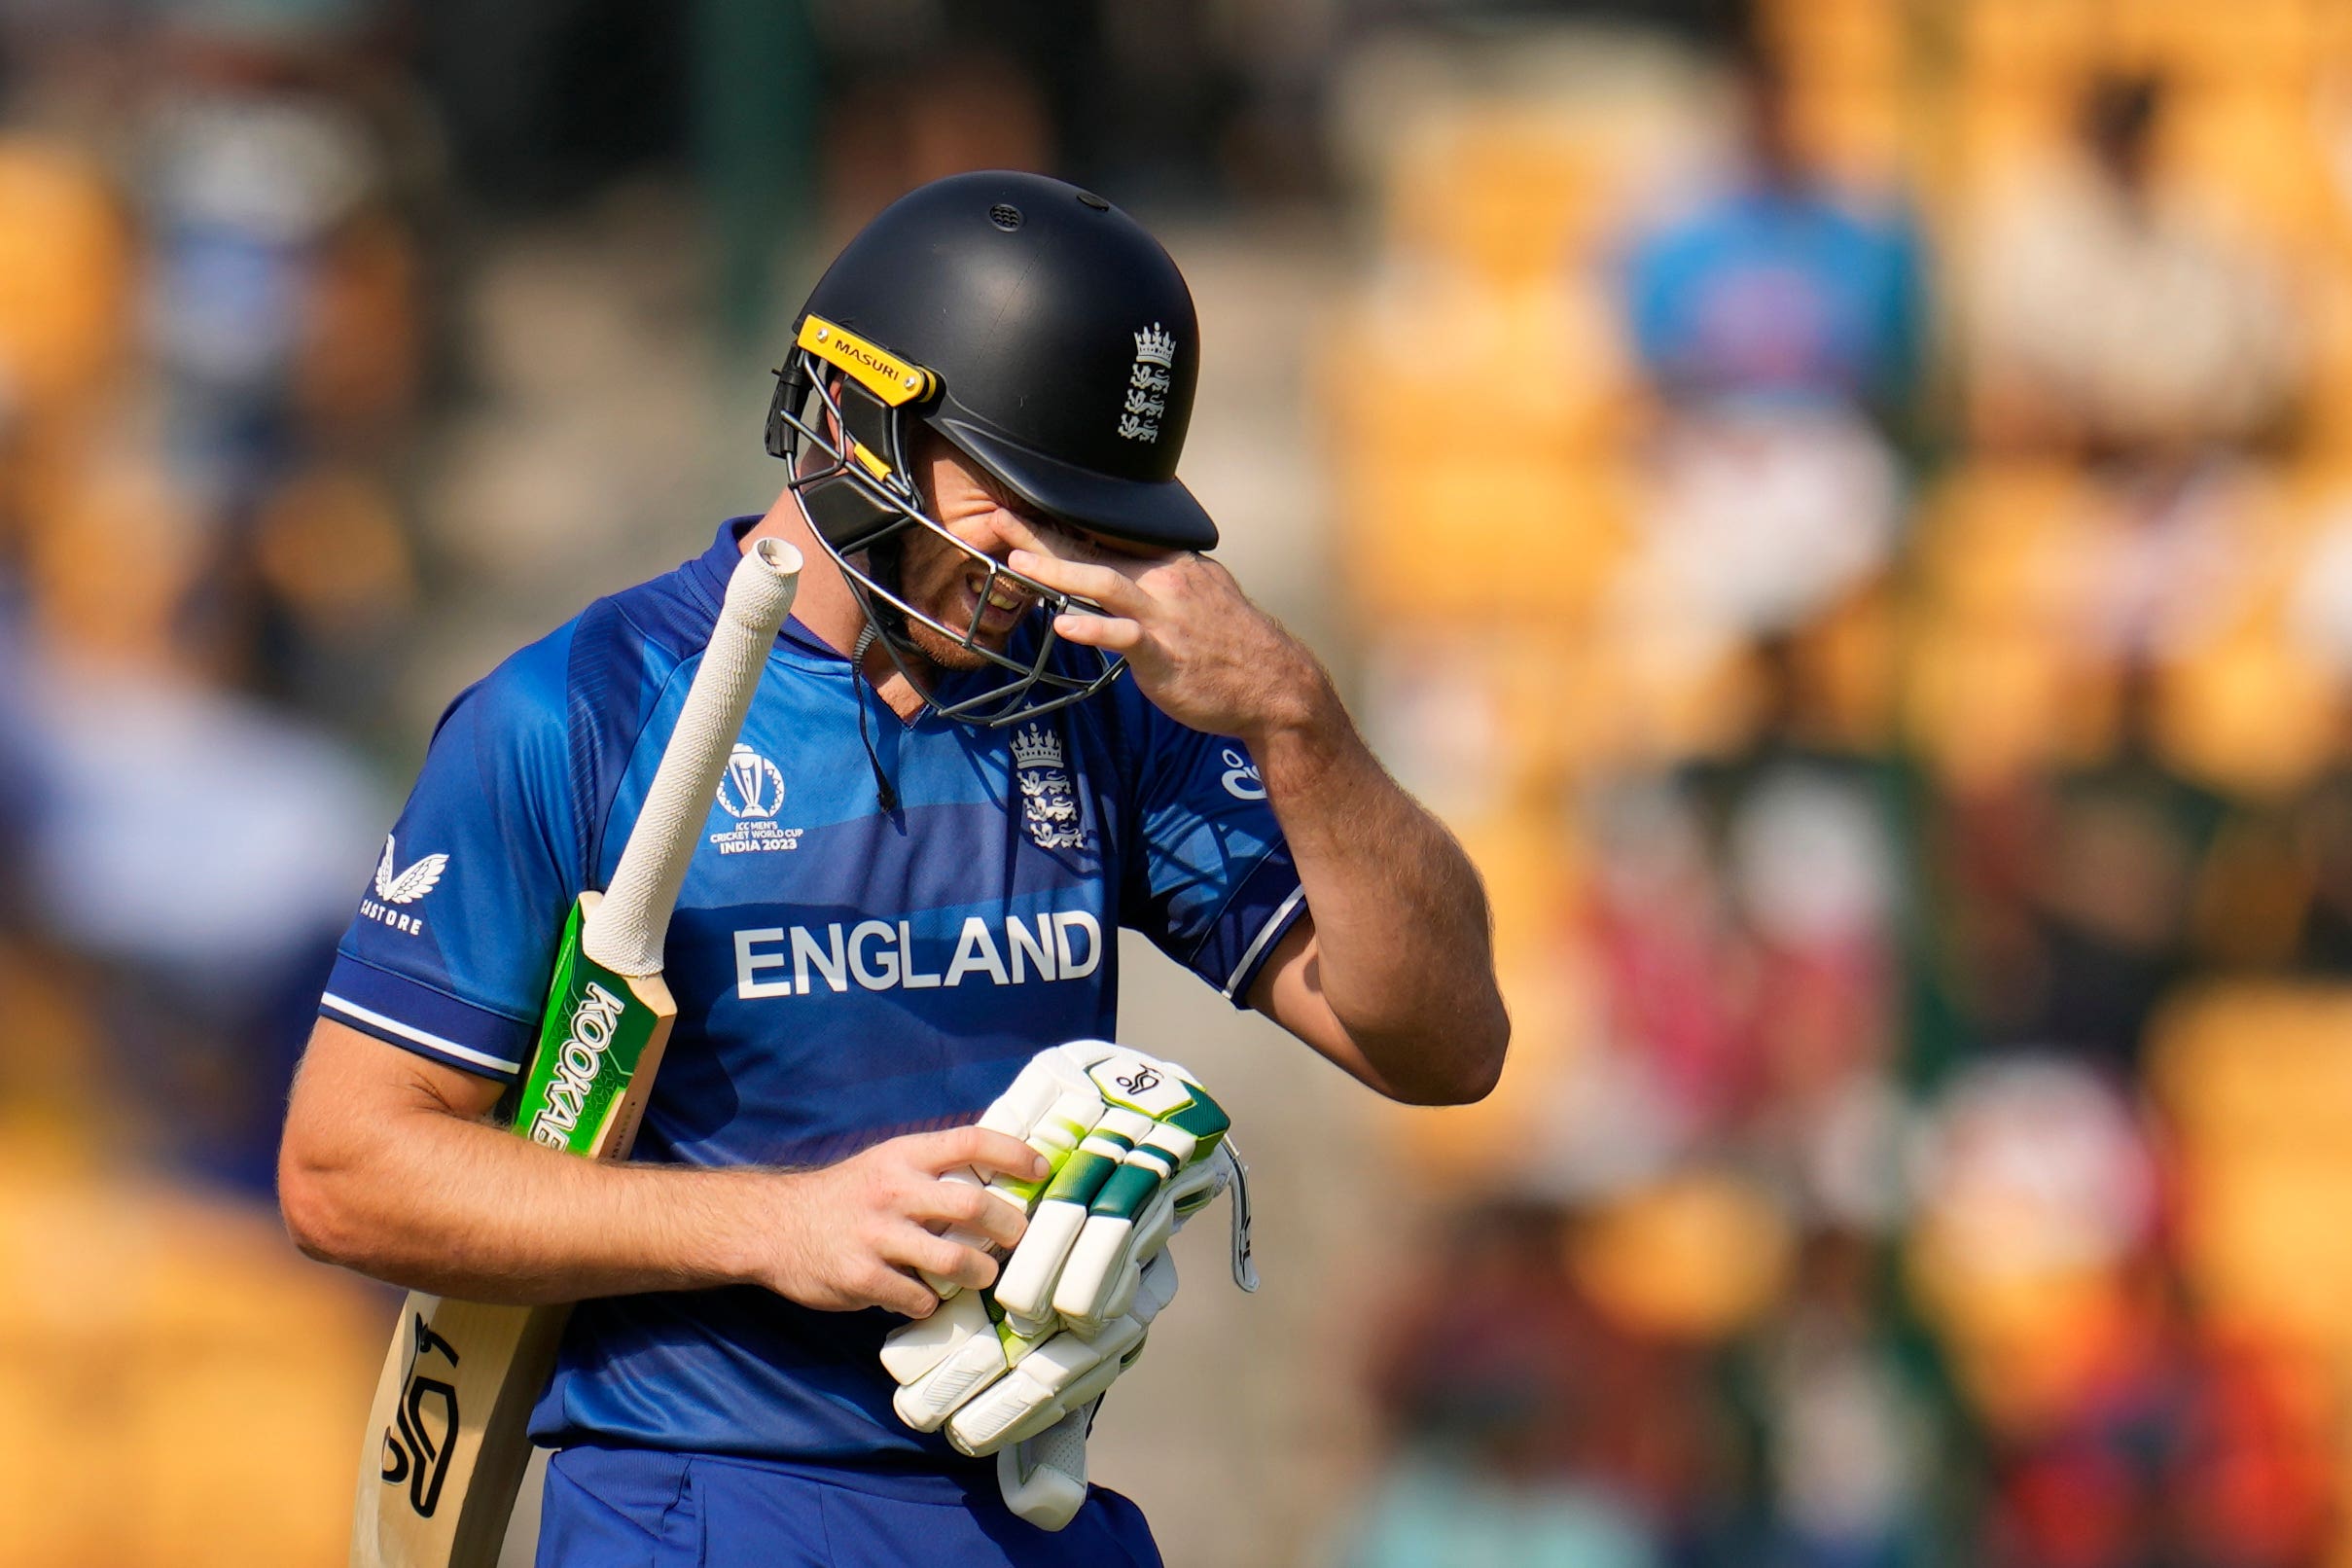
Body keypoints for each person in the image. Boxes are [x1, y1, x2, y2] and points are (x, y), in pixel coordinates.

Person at [276, 169, 1508, 1567]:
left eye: (1100, 529)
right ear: (858, 425)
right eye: (1025, 511)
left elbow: (1441, 1045)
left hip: (1031, 1503)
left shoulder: (1106, 702)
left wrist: (1298, 715)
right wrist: (772, 1225)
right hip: (706, 1503)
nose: (1057, 573)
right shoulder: (576, 714)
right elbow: (344, 1173)